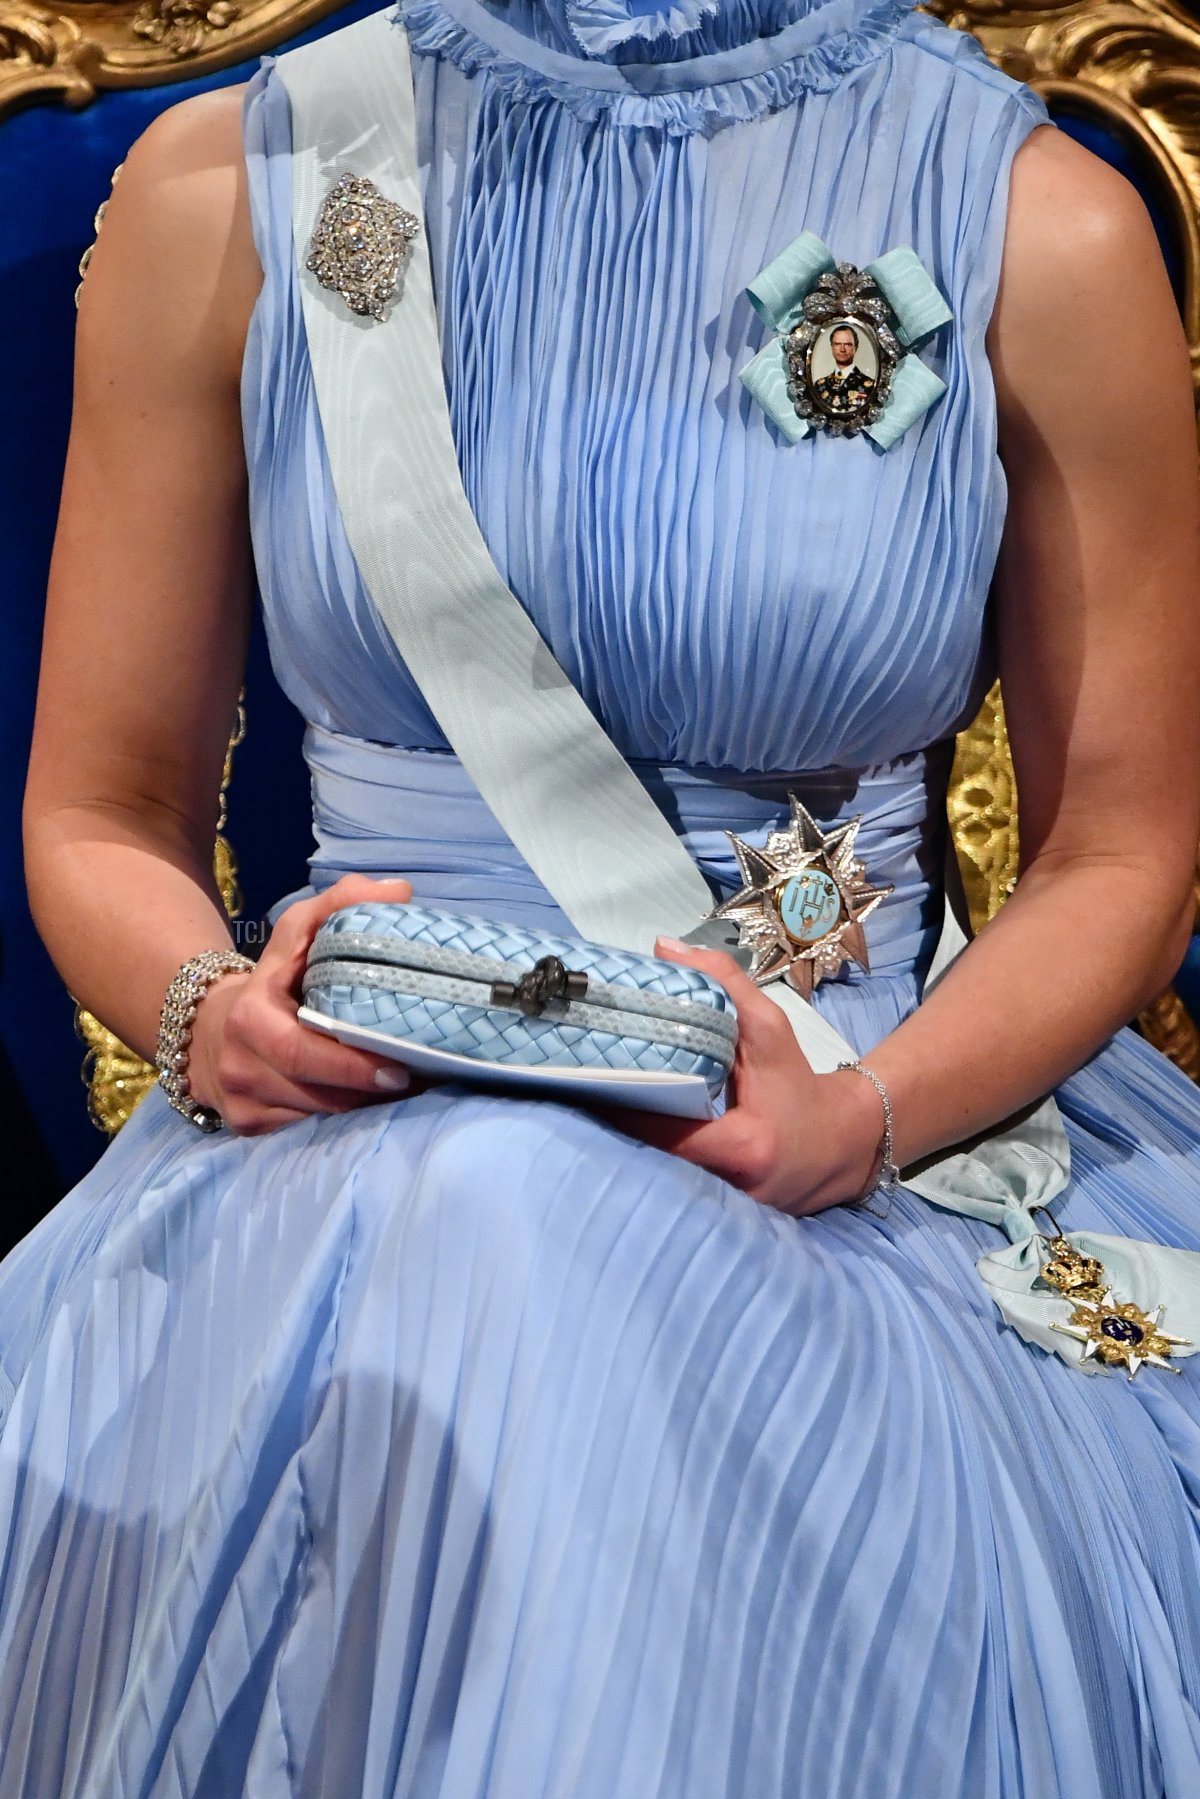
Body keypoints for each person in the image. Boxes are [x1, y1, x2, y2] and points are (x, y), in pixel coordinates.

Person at [5, 0, 1200, 1790]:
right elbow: (104, 806)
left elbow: (1124, 844)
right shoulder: (238, 188)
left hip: (836, 1116)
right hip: (350, 1111)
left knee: (515, 1235)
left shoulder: (1038, 222)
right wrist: (209, 1010)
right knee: (488, 1216)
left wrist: (863, 1112)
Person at [813, 321, 876, 413]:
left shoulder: (869, 386)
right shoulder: (820, 385)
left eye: (848, 344)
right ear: (832, 347)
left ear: (856, 347)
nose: (842, 349)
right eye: (837, 344)